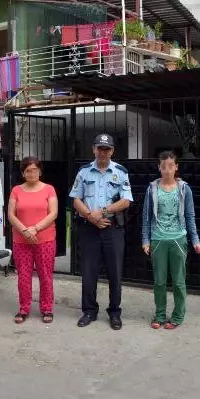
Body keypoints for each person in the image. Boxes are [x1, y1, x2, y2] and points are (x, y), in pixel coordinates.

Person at [69, 133, 133, 330]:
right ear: (94, 149)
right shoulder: (84, 172)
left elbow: (126, 200)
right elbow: (76, 199)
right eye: (100, 148)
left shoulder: (120, 172)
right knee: (88, 272)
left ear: (112, 151)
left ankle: (114, 312)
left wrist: (103, 212)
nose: (103, 152)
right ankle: (89, 311)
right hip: (89, 227)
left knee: (115, 272)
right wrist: (90, 216)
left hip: (112, 229)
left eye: (107, 149)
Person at [142, 150, 200, 330]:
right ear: (159, 167)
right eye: (164, 166)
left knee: (178, 281)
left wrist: (195, 240)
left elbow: (190, 216)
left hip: (178, 239)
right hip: (158, 239)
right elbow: (146, 217)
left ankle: (177, 315)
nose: (167, 170)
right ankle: (159, 314)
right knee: (159, 281)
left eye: (171, 166)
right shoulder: (152, 188)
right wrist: (146, 239)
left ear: (176, 167)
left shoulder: (184, 189)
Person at [8, 156, 58, 324]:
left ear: (40, 171)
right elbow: (10, 214)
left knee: (45, 275)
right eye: (28, 170)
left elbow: (53, 213)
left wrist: (35, 228)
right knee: (24, 276)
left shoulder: (49, 189)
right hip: (21, 241)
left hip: (45, 239)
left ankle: (47, 308)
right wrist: (25, 231)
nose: (31, 173)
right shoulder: (16, 190)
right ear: (23, 173)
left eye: (35, 170)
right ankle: (24, 309)